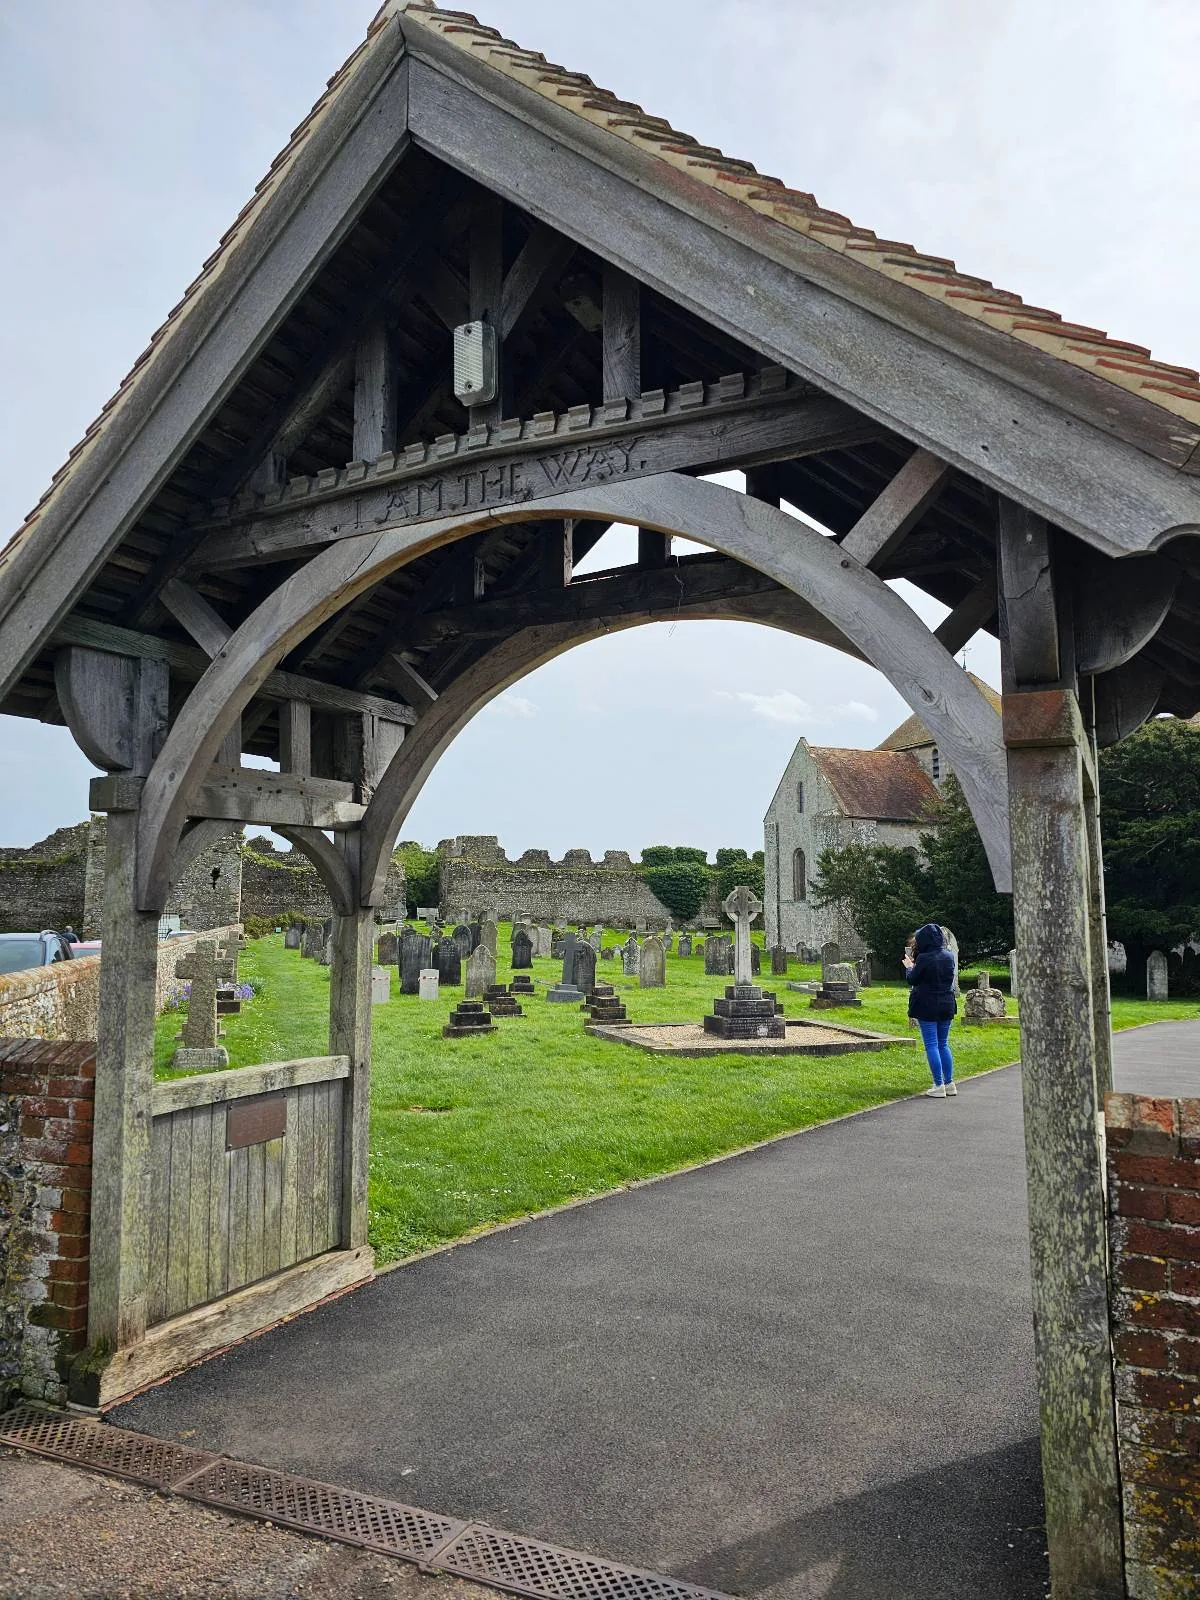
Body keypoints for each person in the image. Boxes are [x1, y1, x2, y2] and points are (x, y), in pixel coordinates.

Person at [903, 922, 957, 1098]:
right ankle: (949, 1083)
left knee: (932, 1045)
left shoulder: (925, 958)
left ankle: (938, 1085)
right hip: (946, 1002)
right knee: (943, 1043)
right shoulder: (949, 956)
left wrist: (909, 966)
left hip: (927, 1004)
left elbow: (913, 979)